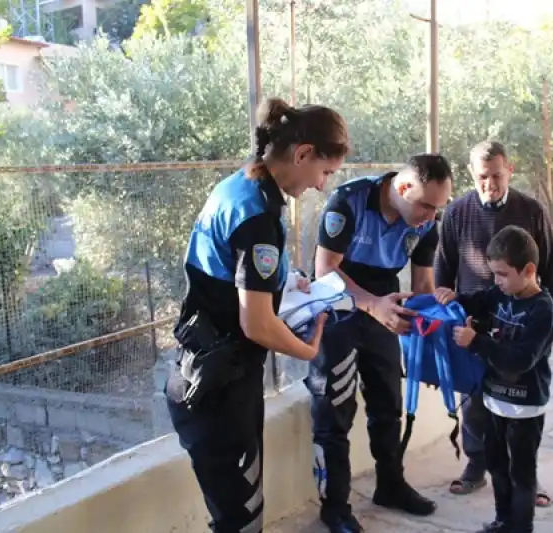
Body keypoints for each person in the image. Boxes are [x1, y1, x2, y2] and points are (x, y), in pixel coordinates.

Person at [164, 97, 350, 533]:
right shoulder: (257, 214)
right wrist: (306, 349)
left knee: (238, 511)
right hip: (217, 386)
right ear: (303, 153)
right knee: (241, 517)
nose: (323, 186)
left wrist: (288, 282)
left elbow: (234, 277)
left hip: (214, 370)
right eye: (325, 172)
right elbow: (258, 323)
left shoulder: (241, 186)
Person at [307, 154, 453, 533]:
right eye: (425, 205)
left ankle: (390, 484)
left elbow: (422, 285)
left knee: (388, 404)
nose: (431, 216)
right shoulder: (348, 201)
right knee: (333, 409)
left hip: (385, 307)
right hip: (337, 310)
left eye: (439, 208)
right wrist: (372, 305)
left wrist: (433, 331)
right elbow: (324, 271)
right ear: (403, 188)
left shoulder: (425, 223)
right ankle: (335, 507)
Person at [434, 140, 553, 504]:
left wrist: (549, 331)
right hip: (475, 327)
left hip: (523, 331)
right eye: (481, 177)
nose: (489, 183)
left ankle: (526, 477)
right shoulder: (456, 212)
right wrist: (447, 315)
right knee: (475, 401)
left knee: (522, 408)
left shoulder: (532, 211)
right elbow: (443, 270)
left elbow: (550, 271)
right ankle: (476, 466)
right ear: (471, 175)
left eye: (495, 175)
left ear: (510, 170)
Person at [434, 225, 553, 533]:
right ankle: (503, 521)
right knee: (497, 467)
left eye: (502, 274)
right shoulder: (499, 294)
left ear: (528, 270)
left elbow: (519, 360)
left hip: (524, 408)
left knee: (522, 474)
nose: (497, 282)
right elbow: (477, 301)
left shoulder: (542, 309)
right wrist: (454, 298)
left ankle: (521, 527)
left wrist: (475, 341)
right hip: (493, 401)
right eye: (494, 275)